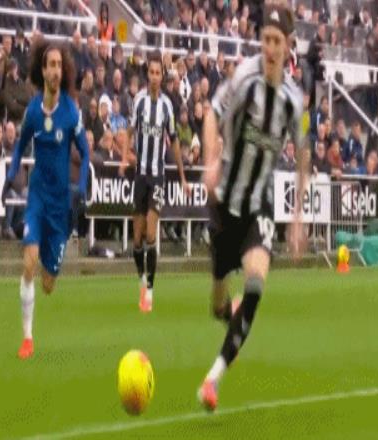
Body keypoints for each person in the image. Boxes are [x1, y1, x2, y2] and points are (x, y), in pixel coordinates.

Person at [198, 4, 309, 411]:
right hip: (226, 201)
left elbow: (304, 153)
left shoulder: (295, 102)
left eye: (278, 41)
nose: (271, 48)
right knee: (218, 302)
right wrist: (211, 159)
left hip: (259, 204)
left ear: (288, 45)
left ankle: (213, 379)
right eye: (266, 40)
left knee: (256, 285)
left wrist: (296, 216)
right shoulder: (244, 78)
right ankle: (231, 318)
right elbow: (211, 113)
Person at [1, 41, 89, 360]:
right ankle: (27, 338)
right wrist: (12, 172)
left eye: (59, 65)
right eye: (50, 65)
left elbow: (86, 152)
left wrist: (82, 187)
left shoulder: (71, 112)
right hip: (37, 197)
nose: (55, 71)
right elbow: (19, 146)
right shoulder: (33, 112)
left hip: (60, 205)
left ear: (63, 71)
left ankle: (48, 267)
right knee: (28, 262)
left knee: (48, 284)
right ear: (42, 69)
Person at [130, 50, 189, 313]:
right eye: (151, 73)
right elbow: (130, 130)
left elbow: (173, 140)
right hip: (140, 175)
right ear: (147, 75)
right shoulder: (139, 102)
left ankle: (150, 291)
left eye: (158, 73)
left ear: (162, 77)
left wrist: (183, 177)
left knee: (152, 233)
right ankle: (142, 280)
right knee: (137, 239)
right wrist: (126, 155)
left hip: (157, 176)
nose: (155, 77)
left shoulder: (167, 106)